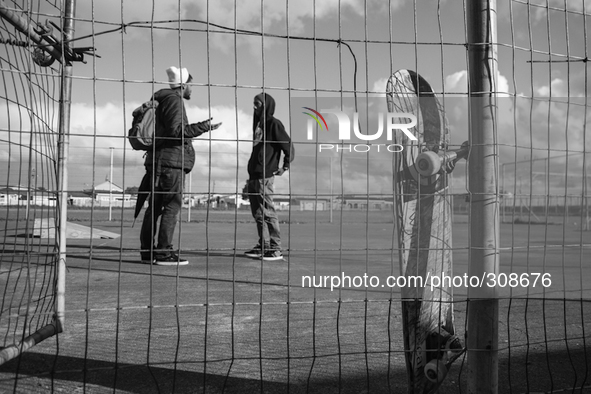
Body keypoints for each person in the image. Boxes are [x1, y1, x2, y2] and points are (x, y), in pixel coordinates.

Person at [140, 66, 221, 265]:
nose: (192, 89)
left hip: (157, 160)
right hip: (170, 164)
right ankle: (164, 252)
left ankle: (147, 251)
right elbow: (177, 132)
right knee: (171, 206)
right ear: (183, 85)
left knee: (155, 207)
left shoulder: (160, 100)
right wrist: (204, 126)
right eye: (191, 85)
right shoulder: (174, 101)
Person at [244, 92, 291, 261]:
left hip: (265, 175)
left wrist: (285, 166)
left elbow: (289, 146)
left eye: (257, 103)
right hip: (254, 174)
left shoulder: (274, 124)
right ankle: (263, 245)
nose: (254, 107)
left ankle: (275, 247)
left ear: (266, 105)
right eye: (254, 103)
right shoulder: (258, 125)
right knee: (257, 212)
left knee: (267, 211)